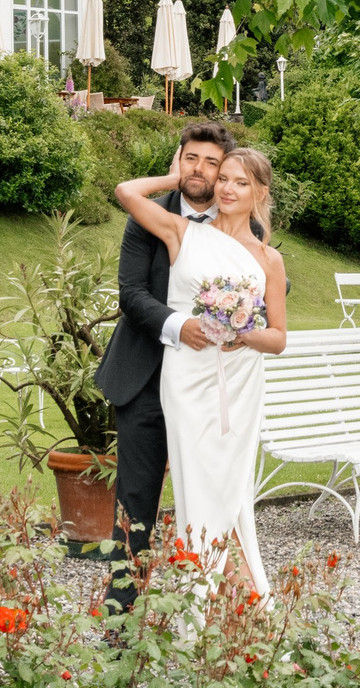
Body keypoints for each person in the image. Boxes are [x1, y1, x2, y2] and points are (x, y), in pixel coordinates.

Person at [115, 145, 288, 592]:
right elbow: (126, 191)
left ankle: (236, 614)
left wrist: (241, 332)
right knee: (198, 490)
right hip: (187, 380)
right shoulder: (182, 232)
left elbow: (279, 338)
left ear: (260, 192)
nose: (226, 188)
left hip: (240, 383)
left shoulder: (269, 259)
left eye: (240, 182)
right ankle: (213, 607)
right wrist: (174, 179)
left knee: (230, 496)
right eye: (223, 178)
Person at [93, 120, 231, 610]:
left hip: (209, 386)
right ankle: (121, 621)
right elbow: (131, 294)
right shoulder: (149, 216)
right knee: (135, 505)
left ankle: (208, 617)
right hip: (146, 379)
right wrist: (179, 325)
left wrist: (237, 317)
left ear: (224, 170)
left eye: (211, 162)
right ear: (178, 160)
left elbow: (266, 280)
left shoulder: (239, 221)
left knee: (212, 500)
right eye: (191, 158)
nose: (200, 169)